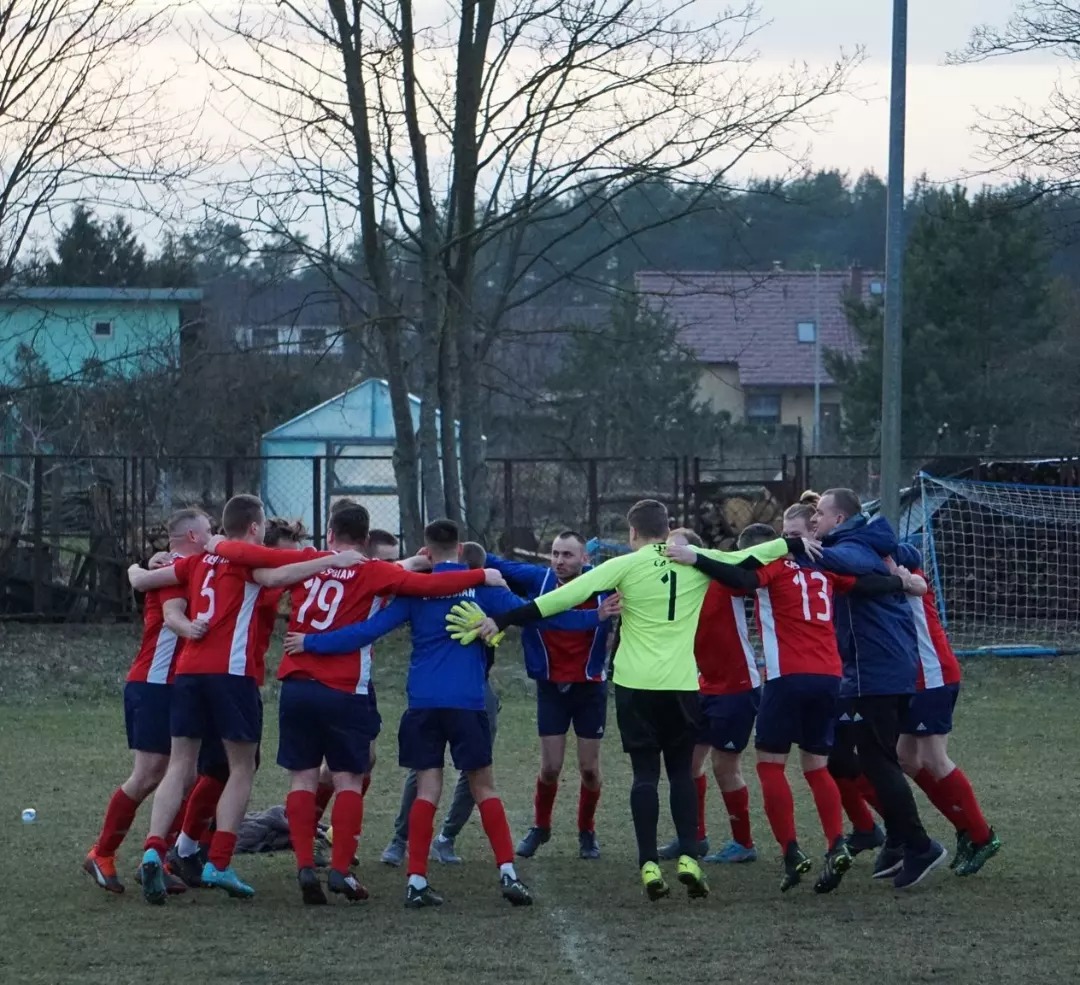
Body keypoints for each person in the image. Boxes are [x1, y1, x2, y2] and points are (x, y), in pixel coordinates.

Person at [464, 499, 799, 902]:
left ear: (632, 533)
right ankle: (690, 857)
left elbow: (561, 599)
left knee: (644, 776)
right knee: (680, 773)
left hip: (635, 686)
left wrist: (502, 619)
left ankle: (648, 863)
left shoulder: (626, 564)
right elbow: (754, 554)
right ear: (668, 527)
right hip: (681, 685)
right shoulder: (695, 558)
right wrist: (796, 544)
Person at [286, 519, 609, 908]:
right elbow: (542, 615)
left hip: (423, 703)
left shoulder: (413, 592)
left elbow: (365, 632)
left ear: (426, 550)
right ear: (460, 549)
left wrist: (311, 642)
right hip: (468, 701)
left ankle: (417, 880)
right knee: (483, 786)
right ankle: (507, 872)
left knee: (427, 788)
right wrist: (595, 616)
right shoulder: (485, 589)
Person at [212, 507, 500, 906]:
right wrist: (480, 574)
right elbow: (430, 588)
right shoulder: (374, 572)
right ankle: (341, 869)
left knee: (302, 780)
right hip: (345, 687)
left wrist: (215, 543)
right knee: (349, 778)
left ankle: (303, 865)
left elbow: (266, 565)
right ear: (365, 539)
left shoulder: (309, 561)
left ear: (330, 534)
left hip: (296, 683)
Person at [669, 523, 926, 894]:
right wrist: (902, 584)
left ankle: (791, 850)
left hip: (787, 675)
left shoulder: (773, 569)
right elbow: (865, 585)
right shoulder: (823, 572)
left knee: (770, 764)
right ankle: (836, 842)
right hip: (830, 677)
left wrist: (696, 558)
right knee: (816, 765)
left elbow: (739, 576)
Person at [126, 494, 357, 904]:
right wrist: (331, 560)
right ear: (254, 528)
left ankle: (154, 849)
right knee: (242, 766)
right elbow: (274, 578)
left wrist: (140, 567)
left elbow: (145, 582)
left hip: (189, 675)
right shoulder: (249, 561)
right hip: (232, 676)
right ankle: (219, 860)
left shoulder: (197, 561)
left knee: (182, 764)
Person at [808, 488, 948, 890]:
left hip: (877, 670)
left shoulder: (852, 546)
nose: (815, 520)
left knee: (876, 759)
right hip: (871, 669)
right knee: (844, 757)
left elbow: (850, 562)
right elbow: (907, 555)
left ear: (839, 519)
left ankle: (918, 845)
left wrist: (801, 549)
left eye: (820, 513)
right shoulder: (867, 541)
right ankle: (898, 838)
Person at [163, 517, 307, 888]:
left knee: (218, 768)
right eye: (282, 555)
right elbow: (277, 581)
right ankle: (187, 849)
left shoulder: (232, 563)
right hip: (229, 677)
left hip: (223, 677)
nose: (286, 563)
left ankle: (183, 848)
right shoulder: (254, 572)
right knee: (223, 767)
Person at [82, 508, 212, 895]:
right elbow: (172, 616)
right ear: (192, 537)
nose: (213, 535)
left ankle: (156, 859)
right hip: (155, 682)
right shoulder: (174, 568)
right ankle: (101, 853)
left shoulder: (190, 568)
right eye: (208, 530)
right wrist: (193, 629)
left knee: (188, 775)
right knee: (151, 772)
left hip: (182, 683)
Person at [481, 531, 613, 861]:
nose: (559, 561)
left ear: (586, 559)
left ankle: (587, 831)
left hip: (589, 688)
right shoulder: (538, 579)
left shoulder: (604, 585)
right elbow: (488, 559)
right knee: (551, 767)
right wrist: (456, 556)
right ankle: (541, 826)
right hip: (551, 688)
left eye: (568, 555)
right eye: (555, 553)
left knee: (589, 770)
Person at [383, 542, 506, 867]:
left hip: (475, 690)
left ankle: (447, 837)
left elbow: (523, 612)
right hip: (435, 691)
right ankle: (401, 838)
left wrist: (497, 626)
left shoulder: (485, 589)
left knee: (476, 769)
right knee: (425, 772)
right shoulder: (425, 590)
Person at [892, 543, 1000, 876]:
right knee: (906, 758)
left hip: (933, 676)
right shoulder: (903, 580)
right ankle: (963, 824)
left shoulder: (911, 581)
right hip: (917, 679)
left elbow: (915, 583)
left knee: (935, 759)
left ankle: (982, 835)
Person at [656, 527, 758, 865]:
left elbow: (742, 572)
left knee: (724, 766)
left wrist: (701, 558)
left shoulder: (720, 578)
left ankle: (743, 843)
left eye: (680, 551)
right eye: (669, 551)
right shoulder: (672, 590)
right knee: (687, 764)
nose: (674, 556)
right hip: (700, 686)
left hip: (737, 686)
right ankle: (694, 838)